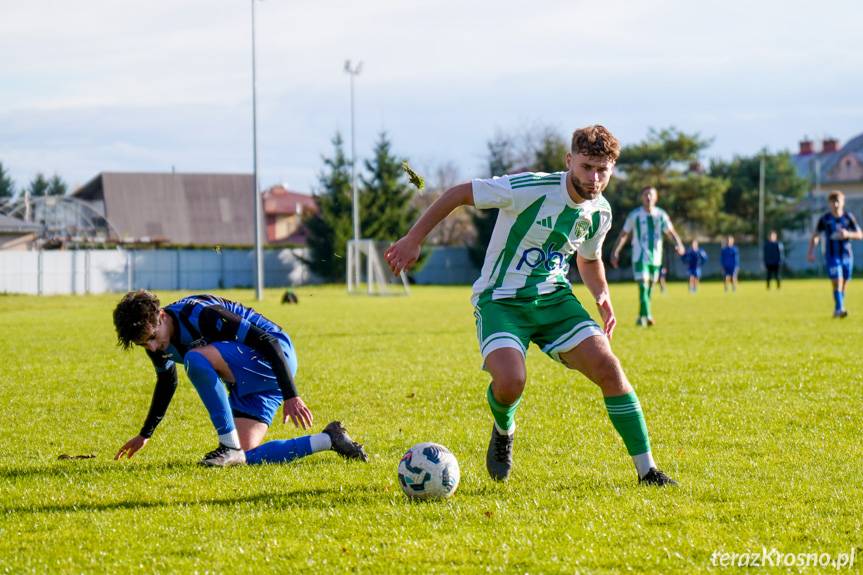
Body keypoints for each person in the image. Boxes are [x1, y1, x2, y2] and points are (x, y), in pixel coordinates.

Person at [384, 125, 677, 486]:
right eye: (587, 167)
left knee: (610, 369)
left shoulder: (600, 212)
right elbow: (460, 193)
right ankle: (503, 431)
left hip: (554, 300)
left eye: (603, 169)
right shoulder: (531, 188)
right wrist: (414, 239)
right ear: (569, 161)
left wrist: (602, 296)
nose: (595, 178)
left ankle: (648, 471)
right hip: (501, 300)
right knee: (510, 382)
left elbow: (588, 259)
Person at [112, 291, 368, 466]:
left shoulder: (200, 313)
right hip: (249, 379)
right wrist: (145, 434)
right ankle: (330, 439)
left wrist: (292, 395)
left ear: (163, 316)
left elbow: (268, 341)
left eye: (153, 338)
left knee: (195, 358)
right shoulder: (158, 342)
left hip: (275, 358)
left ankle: (227, 446)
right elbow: (168, 382)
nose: (153, 348)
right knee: (245, 455)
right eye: (144, 345)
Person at [610, 186, 685, 326]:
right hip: (639, 256)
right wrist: (615, 251)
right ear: (642, 197)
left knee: (650, 287)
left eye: (651, 195)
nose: (648, 197)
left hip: (656, 257)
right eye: (645, 194)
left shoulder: (661, 215)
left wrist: (679, 244)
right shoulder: (635, 215)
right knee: (643, 286)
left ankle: (641, 316)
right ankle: (648, 315)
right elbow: (624, 234)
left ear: (656, 198)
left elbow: (671, 232)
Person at [807, 191, 862, 317]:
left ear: (843, 202)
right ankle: (840, 308)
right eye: (833, 202)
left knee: (844, 284)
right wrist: (811, 251)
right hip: (832, 255)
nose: (836, 204)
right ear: (829, 203)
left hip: (847, 255)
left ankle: (838, 309)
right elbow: (816, 236)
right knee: (837, 280)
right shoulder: (825, 219)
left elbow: (860, 234)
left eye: (838, 201)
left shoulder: (848, 217)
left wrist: (848, 234)